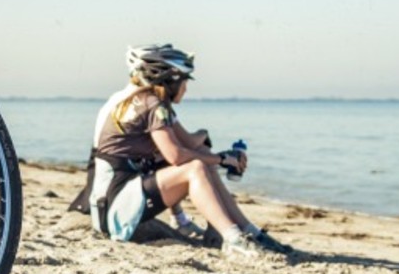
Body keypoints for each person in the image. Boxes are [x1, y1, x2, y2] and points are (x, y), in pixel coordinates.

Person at [81, 43, 294, 259]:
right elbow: (175, 155)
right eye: (184, 81)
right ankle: (233, 238)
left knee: (200, 159)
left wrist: (221, 155)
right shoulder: (152, 105)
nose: (186, 88)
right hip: (115, 209)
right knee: (195, 169)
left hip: (115, 201)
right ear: (171, 79)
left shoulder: (146, 100)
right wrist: (220, 159)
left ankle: (247, 231)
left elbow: (190, 143)